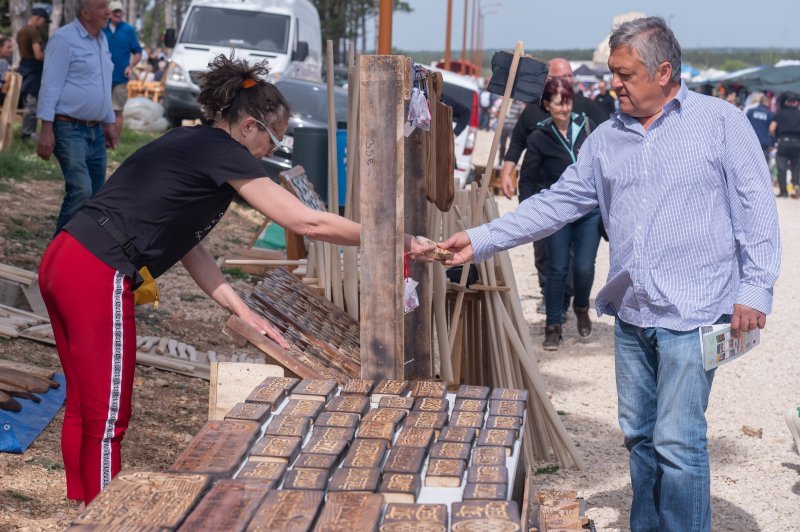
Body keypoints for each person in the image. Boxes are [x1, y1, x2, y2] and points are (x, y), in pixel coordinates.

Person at [38, 52, 434, 506]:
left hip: (65, 258)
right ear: (249, 127)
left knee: (86, 406)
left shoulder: (195, 147)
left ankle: (83, 505)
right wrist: (392, 239)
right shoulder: (224, 153)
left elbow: (188, 244)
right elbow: (307, 223)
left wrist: (241, 309)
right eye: (274, 141)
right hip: (97, 268)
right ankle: (105, 513)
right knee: (110, 415)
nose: (272, 152)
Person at [440, 17, 779, 531]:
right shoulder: (606, 140)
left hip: (695, 314)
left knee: (678, 440)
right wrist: (482, 238)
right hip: (632, 313)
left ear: (664, 71)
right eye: (612, 73)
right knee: (640, 436)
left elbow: (757, 210)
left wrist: (755, 289)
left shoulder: (721, 122)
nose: (613, 84)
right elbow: (555, 204)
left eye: (625, 73)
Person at [519, 77, 599, 349]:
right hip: (556, 211)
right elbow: (528, 178)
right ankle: (553, 324)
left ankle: (580, 307)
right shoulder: (539, 135)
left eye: (568, 102)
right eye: (558, 103)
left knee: (584, 268)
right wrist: (528, 213)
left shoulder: (588, 128)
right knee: (557, 268)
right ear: (546, 105)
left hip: (589, 210)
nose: (564, 108)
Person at [37, 0, 118, 236]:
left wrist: (109, 121)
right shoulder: (64, 39)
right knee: (81, 190)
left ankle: (77, 255)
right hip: (68, 127)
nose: (108, 12)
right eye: (102, 7)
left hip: (95, 130)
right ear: (85, 13)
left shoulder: (102, 40)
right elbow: (50, 85)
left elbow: (103, 85)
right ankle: (56, 255)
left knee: (95, 195)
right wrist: (46, 128)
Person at [103, 1, 142, 137]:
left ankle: (115, 142)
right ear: (109, 13)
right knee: (101, 109)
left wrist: (130, 66)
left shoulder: (128, 29)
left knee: (117, 110)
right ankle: (102, 140)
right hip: (102, 77)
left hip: (120, 78)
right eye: (115, 11)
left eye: (120, 11)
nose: (118, 14)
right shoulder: (102, 28)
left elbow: (138, 51)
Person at [16, 7, 49, 141]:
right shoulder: (34, 32)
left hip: (24, 67)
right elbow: (38, 55)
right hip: (34, 70)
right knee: (32, 103)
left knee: (28, 102)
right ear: (38, 18)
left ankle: (27, 131)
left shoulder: (21, 31)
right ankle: (28, 133)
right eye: (44, 22)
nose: (44, 25)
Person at [769, 92, 800, 198]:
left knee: (782, 168)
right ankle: (795, 186)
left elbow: (772, 128)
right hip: (797, 143)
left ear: (787, 102)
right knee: (796, 167)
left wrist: (776, 137)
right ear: (796, 103)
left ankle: (783, 192)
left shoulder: (780, 113)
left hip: (783, 142)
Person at [746, 95, 774, 163]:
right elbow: (771, 129)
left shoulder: (750, 111)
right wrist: (772, 143)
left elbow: (745, 125)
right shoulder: (770, 114)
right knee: (763, 164)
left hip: (751, 141)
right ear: (767, 102)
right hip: (764, 142)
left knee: (750, 163)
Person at [0, 36, 13, 105]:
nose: (11, 50)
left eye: (11, 47)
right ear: (0, 48)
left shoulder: (6, 61)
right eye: (8, 47)